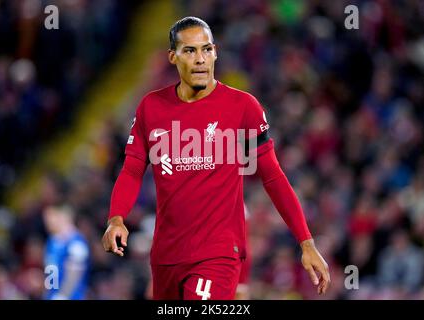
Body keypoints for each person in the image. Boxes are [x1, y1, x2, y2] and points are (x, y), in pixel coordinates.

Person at [102, 16, 330, 300]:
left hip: (217, 253)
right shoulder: (152, 107)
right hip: (166, 256)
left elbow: (273, 176)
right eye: (190, 50)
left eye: (206, 49)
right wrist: (116, 218)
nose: (200, 59)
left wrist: (306, 242)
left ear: (215, 52)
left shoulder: (243, 106)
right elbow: (132, 169)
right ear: (173, 57)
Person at [43, 203, 90, 300]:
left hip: (71, 296)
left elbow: (75, 272)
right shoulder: (52, 241)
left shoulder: (76, 243)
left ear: (62, 217)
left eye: (50, 216)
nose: (47, 221)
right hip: (52, 295)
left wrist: (63, 295)